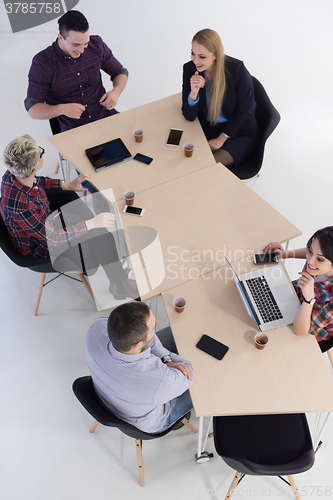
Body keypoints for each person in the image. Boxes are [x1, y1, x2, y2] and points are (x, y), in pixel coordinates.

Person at [0, 135, 139, 301]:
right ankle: (120, 283)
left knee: (100, 233)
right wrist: (91, 224)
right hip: (41, 248)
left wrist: (66, 185)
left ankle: (116, 279)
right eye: (40, 152)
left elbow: (37, 181)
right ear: (36, 165)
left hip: (44, 221)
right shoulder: (22, 209)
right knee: (102, 235)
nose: (41, 153)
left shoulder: (12, 175)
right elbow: (54, 238)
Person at [24, 10, 128, 195]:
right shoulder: (43, 63)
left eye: (85, 43)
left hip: (105, 115)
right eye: (76, 45)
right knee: (99, 186)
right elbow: (33, 109)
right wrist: (62, 109)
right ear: (60, 37)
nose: (82, 50)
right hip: (74, 129)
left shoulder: (97, 45)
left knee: (138, 154)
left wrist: (116, 92)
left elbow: (120, 72)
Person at [86, 302, 194, 433]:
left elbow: (151, 342)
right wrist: (168, 362)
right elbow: (189, 371)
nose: (155, 328)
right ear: (137, 345)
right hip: (151, 422)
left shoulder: (96, 328)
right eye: (154, 327)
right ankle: (176, 421)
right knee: (206, 383)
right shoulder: (161, 380)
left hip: (108, 396)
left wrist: (166, 360)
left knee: (175, 334)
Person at [182, 28, 258, 177]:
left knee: (204, 168)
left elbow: (246, 109)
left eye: (202, 56)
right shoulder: (189, 69)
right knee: (181, 160)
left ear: (216, 54)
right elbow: (189, 116)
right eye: (192, 53)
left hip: (238, 132)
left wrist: (222, 138)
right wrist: (193, 93)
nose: (195, 60)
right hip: (207, 129)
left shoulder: (237, 70)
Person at [263, 227, 333, 351]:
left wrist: (309, 299)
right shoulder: (317, 261)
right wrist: (285, 254)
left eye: (320, 259)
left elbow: (301, 331)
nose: (310, 260)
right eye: (310, 251)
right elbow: (315, 251)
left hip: (307, 329)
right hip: (293, 299)